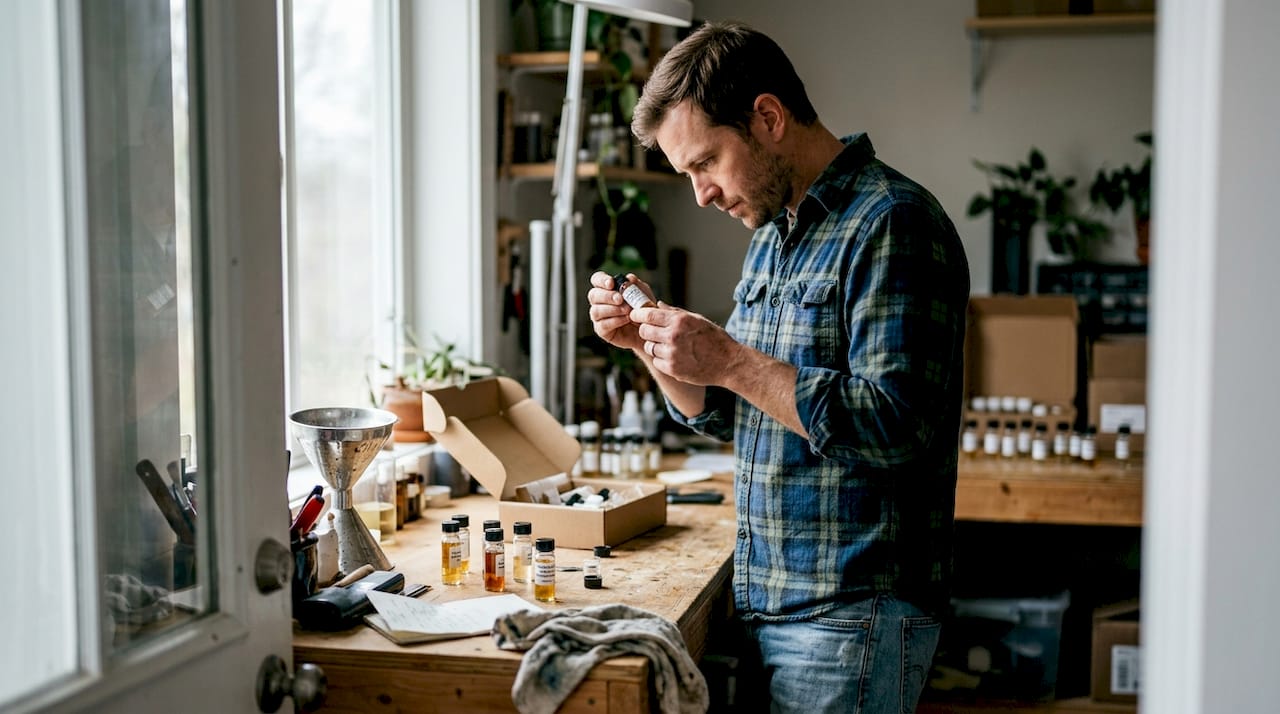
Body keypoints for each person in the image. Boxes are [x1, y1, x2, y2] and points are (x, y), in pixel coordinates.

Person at [586, 21, 970, 714]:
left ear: (767, 117)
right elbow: (736, 411)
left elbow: (896, 426)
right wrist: (651, 346)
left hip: (852, 611)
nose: (699, 192)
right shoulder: (771, 237)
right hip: (775, 600)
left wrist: (729, 359)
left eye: (705, 163)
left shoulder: (894, 223)